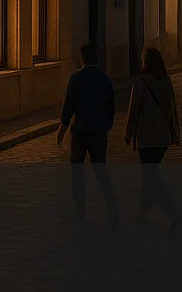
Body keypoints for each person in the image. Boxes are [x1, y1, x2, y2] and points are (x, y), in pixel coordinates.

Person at [57, 44, 119, 227]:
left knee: (77, 173)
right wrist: (106, 126)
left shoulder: (77, 78)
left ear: (83, 57)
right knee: (101, 172)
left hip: (81, 132)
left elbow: (70, 104)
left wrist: (64, 125)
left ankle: (80, 210)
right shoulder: (106, 80)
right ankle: (112, 210)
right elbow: (111, 108)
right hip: (99, 133)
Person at [125, 47, 181, 229]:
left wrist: (128, 131)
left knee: (151, 176)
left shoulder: (140, 83)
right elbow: (172, 108)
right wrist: (175, 132)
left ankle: (172, 213)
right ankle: (144, 208)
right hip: (163, 138)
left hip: (146, 138)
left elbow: (133, 111)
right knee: (150, 173)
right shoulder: (166, 81)